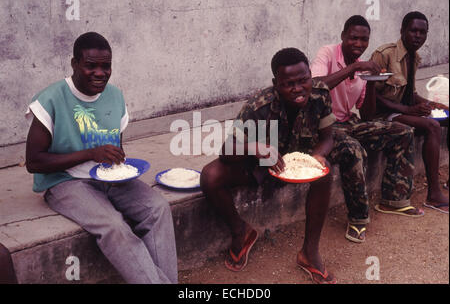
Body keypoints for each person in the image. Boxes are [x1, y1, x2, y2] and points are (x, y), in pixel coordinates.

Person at [25, 32, 178, 283]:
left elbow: (115, 144)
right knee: (114, 226)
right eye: (90, 66)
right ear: (75, 64)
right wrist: (91, 154)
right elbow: (34, 162)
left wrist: (116, 156)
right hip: (65, 182)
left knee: (158, 209)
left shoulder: (115, 96)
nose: (100, 73)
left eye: (106, 66)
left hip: (109, 178)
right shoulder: (51, 98)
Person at [201, 48, 337, 284]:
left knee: (324, 174)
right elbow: (226, 151)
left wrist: (317, 157)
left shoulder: (320, 94)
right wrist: (254, 148)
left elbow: (327, 137)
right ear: (276, 84)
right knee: (210, 175)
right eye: (289, 84)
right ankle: (240, 232)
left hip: (298, 161)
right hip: (261, 164)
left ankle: (310, 252)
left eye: (303, 80)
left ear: (310, 76)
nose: (298, 89)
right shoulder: (258, 106)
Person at [310, 15, 423, 243]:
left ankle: (394, 200)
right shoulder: (328, 53)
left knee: (402, 132)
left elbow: (368, 115)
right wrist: (355, 67)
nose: (359, 44)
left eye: (364, 39)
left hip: (348, 122)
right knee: (353, 150)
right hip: (323, 128)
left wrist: (371, 81)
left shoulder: (363, 67)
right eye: (354, 38)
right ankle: (358, 219)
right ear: (343, 36)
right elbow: (316, 86)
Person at [371, 11, 449, 214]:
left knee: (447, 118)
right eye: (413, 30)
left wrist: (434, 104)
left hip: (402, 111)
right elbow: (370, 95)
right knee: (432, 126)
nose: (418, 36)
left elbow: (410, 93)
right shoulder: (385, 54)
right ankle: (433, 193)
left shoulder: (414, 57)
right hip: (381, 114)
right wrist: (408, 109)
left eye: (422, 32)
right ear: (402, 31)